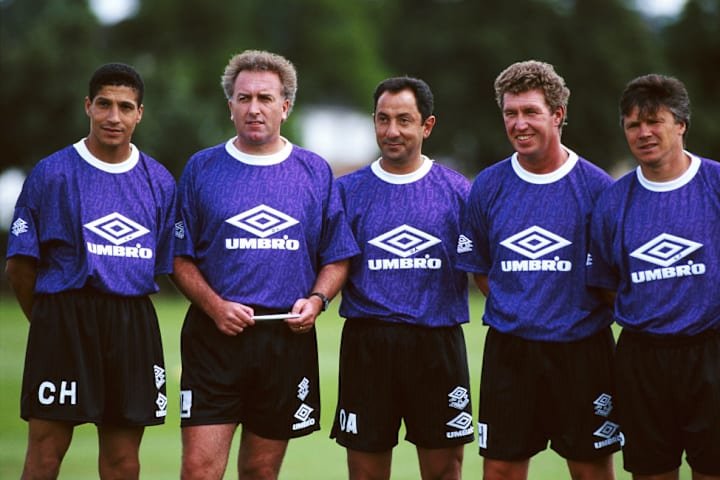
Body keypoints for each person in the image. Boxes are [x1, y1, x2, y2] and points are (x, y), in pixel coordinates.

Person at [172, 49, 359, 480]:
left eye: (265, 98)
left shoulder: (314, 171)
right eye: (244, 98)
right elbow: (179, 258)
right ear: (230, 106)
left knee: (260, 471)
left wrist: (317, 300)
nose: (254, 108)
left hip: (283, 342)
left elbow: (336, 256)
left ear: (285, 106)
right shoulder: (202, 168)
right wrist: (216, 307)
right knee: (199, 470)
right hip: (213, 339)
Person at [5, 63, 176, 479]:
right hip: (64, 320)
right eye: (104, 104)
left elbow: (167, 262)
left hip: (130, 324)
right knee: (45, 454)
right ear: (88, 106)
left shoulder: (159, 181)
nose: (113, 117)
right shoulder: (52, 173)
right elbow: (20, 266)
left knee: (122, 461)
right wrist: (49, 320)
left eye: (124, 107)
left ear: (139, 113)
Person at [456, 60, 621, 480]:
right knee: (499, 471)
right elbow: (482, 269)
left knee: (590, 472)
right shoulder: (489, 186)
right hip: (511, 352)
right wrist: (521, 307)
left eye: (530, 112)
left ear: (558, 115)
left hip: (582, 351)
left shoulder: (597, 187)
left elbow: (612, 278)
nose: (519, 123)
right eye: (511, 113)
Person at [329, 76, 474, 479]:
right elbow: (333, 263)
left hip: (437, 342)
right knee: (365, 472)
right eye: (383, 119)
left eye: (404, 120)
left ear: (426, 126)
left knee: (445, 471)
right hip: (367, 345)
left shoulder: (458, 191)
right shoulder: (347, 192)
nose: (392, 131)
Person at [588, 74, 720, 480]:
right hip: (642, 361)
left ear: (680, 123)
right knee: (651, 471)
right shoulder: (613, 200)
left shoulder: (714, 183)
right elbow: (606, 285)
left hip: (711, 353)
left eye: (654, 121)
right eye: (633, 124)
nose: (643, 133)